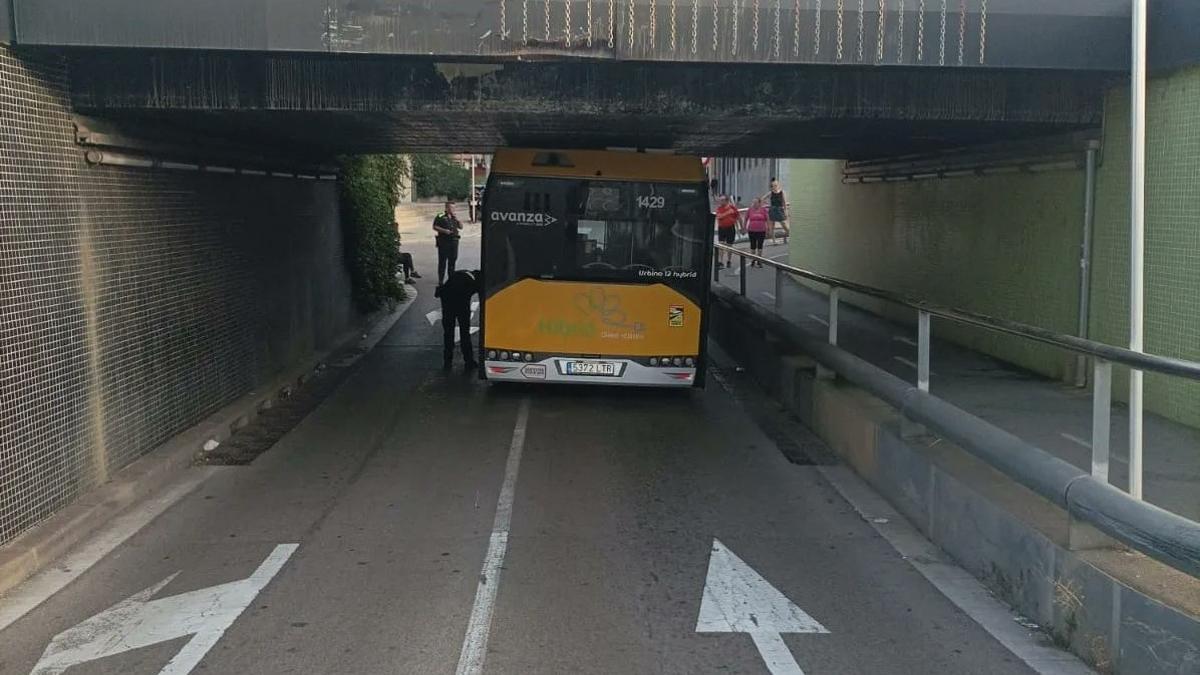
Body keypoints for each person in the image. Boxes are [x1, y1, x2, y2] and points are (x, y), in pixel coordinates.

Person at [435, 269, 480, 371]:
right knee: (464, 332)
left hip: (447, 302)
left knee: (448, 333)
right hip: (462, 305)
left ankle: (447, 361)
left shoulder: (459, 274)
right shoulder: (474, 281)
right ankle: (468, 361)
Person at [433, 201, 462, 284]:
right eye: (451, 207)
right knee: (442, 261)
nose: (453, 209)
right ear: (446, 208)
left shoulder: (454, 217)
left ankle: (451, 279)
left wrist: (457, 219)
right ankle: (441, 280)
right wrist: (444, 231)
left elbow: (461, 227)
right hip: (444, 242)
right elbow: (435, 226)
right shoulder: (440, 215)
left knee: (452, 261)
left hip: (454, 241)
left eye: (454, 207)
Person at [714, 195, 743, 270]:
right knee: (721, 244)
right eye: (720, 200)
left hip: (730, 228)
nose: (720, 202)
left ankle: (729, 260)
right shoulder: (719, 208)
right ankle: (720, 261)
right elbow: (719, 216)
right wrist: (728, 212)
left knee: (729, 245)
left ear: (726, 201)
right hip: (722, 228)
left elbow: (739, 217)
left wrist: (742, 228)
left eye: (722, 200)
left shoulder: (733, 208)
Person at [761, 178, 790, 246]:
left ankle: (785, 236)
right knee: (772, 227)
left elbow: (784, 203)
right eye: (773, 185)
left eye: (775, 185)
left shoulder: (782, 192)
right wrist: (767, 204)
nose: (774, 186)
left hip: (780, 209)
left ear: (778, 185)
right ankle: (774, 241)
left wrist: (786, 212)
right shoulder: (770, 193)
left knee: (785, 226)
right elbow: (762, 199)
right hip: (773, 209)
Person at [744, 197, 770, 266]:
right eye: (753, 202)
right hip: (752, 230)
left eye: (756, 202)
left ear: (759, 203)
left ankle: (759, 260)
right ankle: (753, 259)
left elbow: (767, 219)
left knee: (760, 245)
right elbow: (746, 219)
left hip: (761, 230)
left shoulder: (763, 210)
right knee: (753, 245)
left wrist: (768, 229)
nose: (754, 204)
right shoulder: (750, 210)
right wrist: (744, 227)